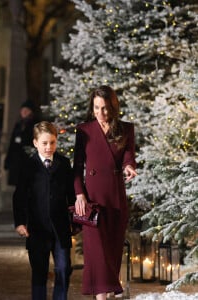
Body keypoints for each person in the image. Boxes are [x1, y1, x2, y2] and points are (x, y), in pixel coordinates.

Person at [73, 86, 137, 300]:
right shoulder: (84, 130)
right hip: (92, 199)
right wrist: (79, 194)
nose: (101, 113)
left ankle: (106, 294)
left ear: (113, 107)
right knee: (97, 252)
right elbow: (77, 166)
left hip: (115, 198)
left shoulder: (126, 129)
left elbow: (129, 156)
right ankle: (102, 298)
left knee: (112, 250)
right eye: (97, 108)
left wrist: (129, 166)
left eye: (106, 108)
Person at [13, 121, 75, 300]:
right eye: (45, 143)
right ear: (35, 143)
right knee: (39, 271)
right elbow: (19, 196)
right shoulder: (29, 166)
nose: (49, 147)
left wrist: (75, 221)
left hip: (60, 226)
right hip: (37, 227)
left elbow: (71, 194)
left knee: (64, 268)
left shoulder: (63, 164)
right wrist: (20, 222)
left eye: (53, 142)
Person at [4, 100, 38, 186]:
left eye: (27, 110)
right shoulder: (18, 125)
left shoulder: (35, 125)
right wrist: (8, 160)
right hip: (16, 160)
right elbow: (12, 143)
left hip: (27, 160)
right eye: (22, 110)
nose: (24, 112)